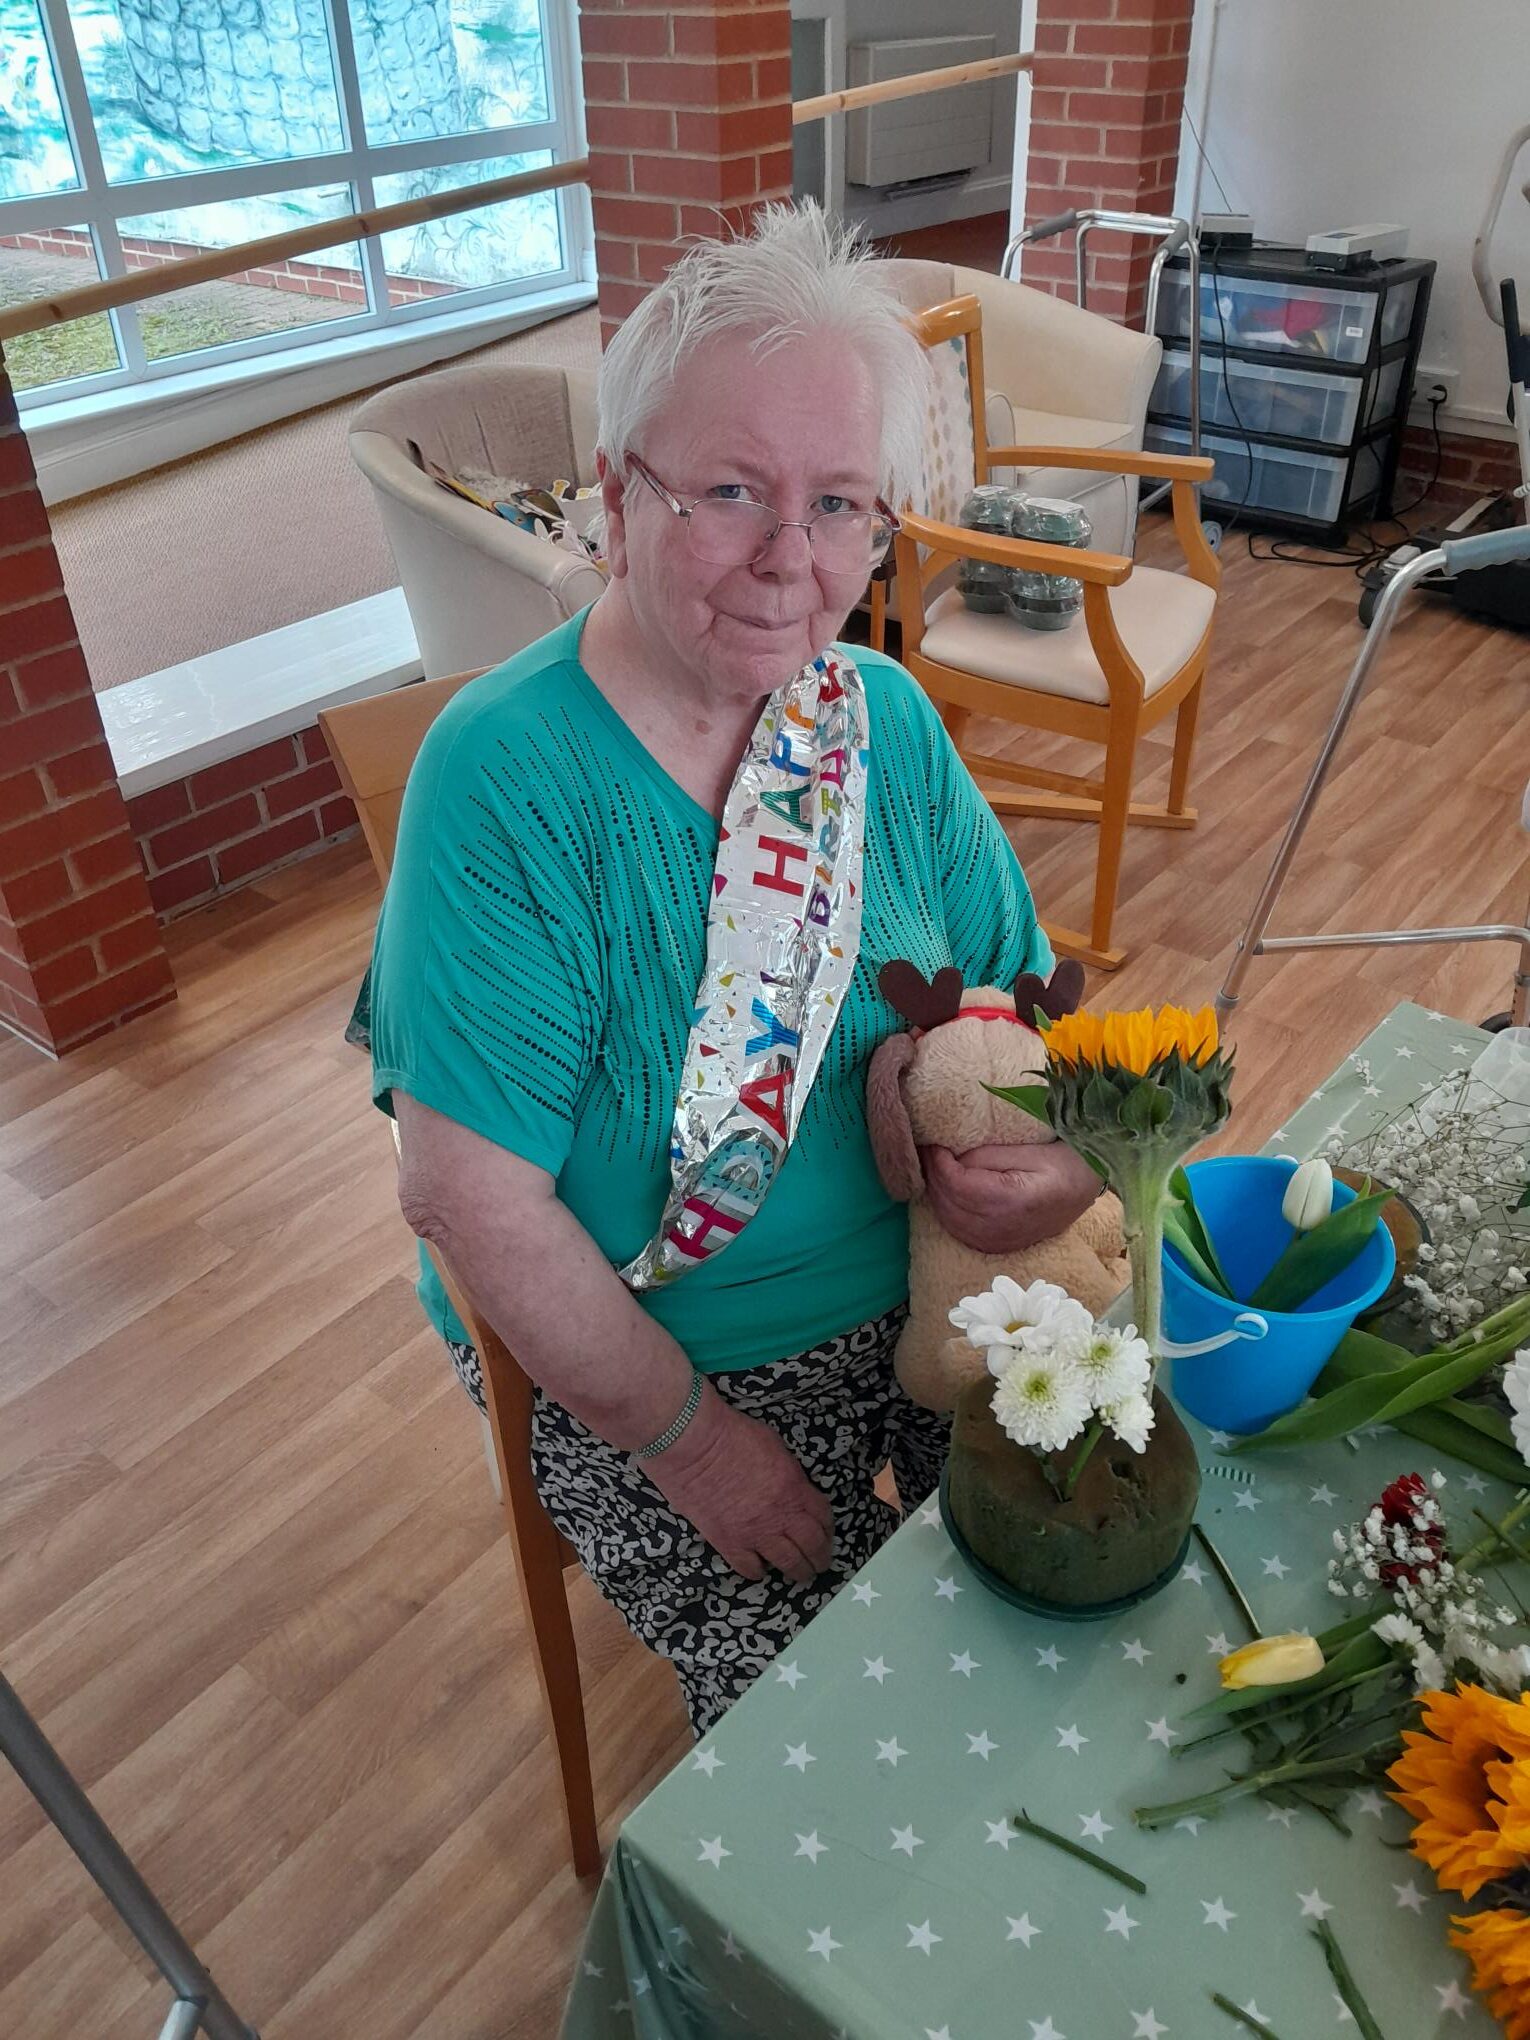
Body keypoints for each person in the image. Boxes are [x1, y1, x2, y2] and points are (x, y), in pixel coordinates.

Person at [367, 202, 1101, 1734]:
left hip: (933, 1283)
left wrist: (1071, 1165)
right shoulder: (502, 780)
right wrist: (692, 1442)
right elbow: (468, 1201)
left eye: (842, 502)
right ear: (617, 500)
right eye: (729, 491)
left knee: (1105, 1595)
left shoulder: (881, 720)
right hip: (663, 1362)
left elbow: (1031, 1018)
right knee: (850, 1739)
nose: (792, 561)